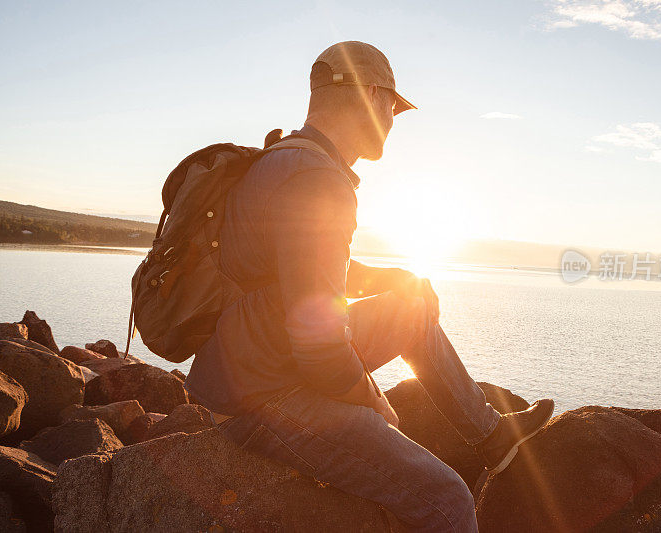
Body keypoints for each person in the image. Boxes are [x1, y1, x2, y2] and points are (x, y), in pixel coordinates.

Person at [184, 41, 554, 532]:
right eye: (393, 105)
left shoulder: (286, 160)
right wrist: (371, 400)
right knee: (447, 499)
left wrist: (395, 281)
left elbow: (306, 267)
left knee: (412, 307)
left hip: (255, 358)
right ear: (371, 97)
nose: (394, 119)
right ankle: (477, 446)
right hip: (262, 396)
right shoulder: (318, 181)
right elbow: (318, 348)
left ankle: (490, 436)